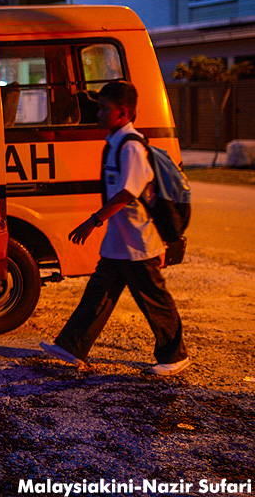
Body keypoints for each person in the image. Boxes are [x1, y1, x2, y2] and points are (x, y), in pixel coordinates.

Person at [40, 80, 190, 376]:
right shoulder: (115, 144)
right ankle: (72, 346)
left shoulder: (131, 147)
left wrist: (93, 221)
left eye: (104, 108)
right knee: (98, 295)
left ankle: (175, 355)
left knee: (154, 301)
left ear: (122, 112)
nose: (98, 113)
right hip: (119, 242)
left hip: (137, 243)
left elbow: (127, 193)